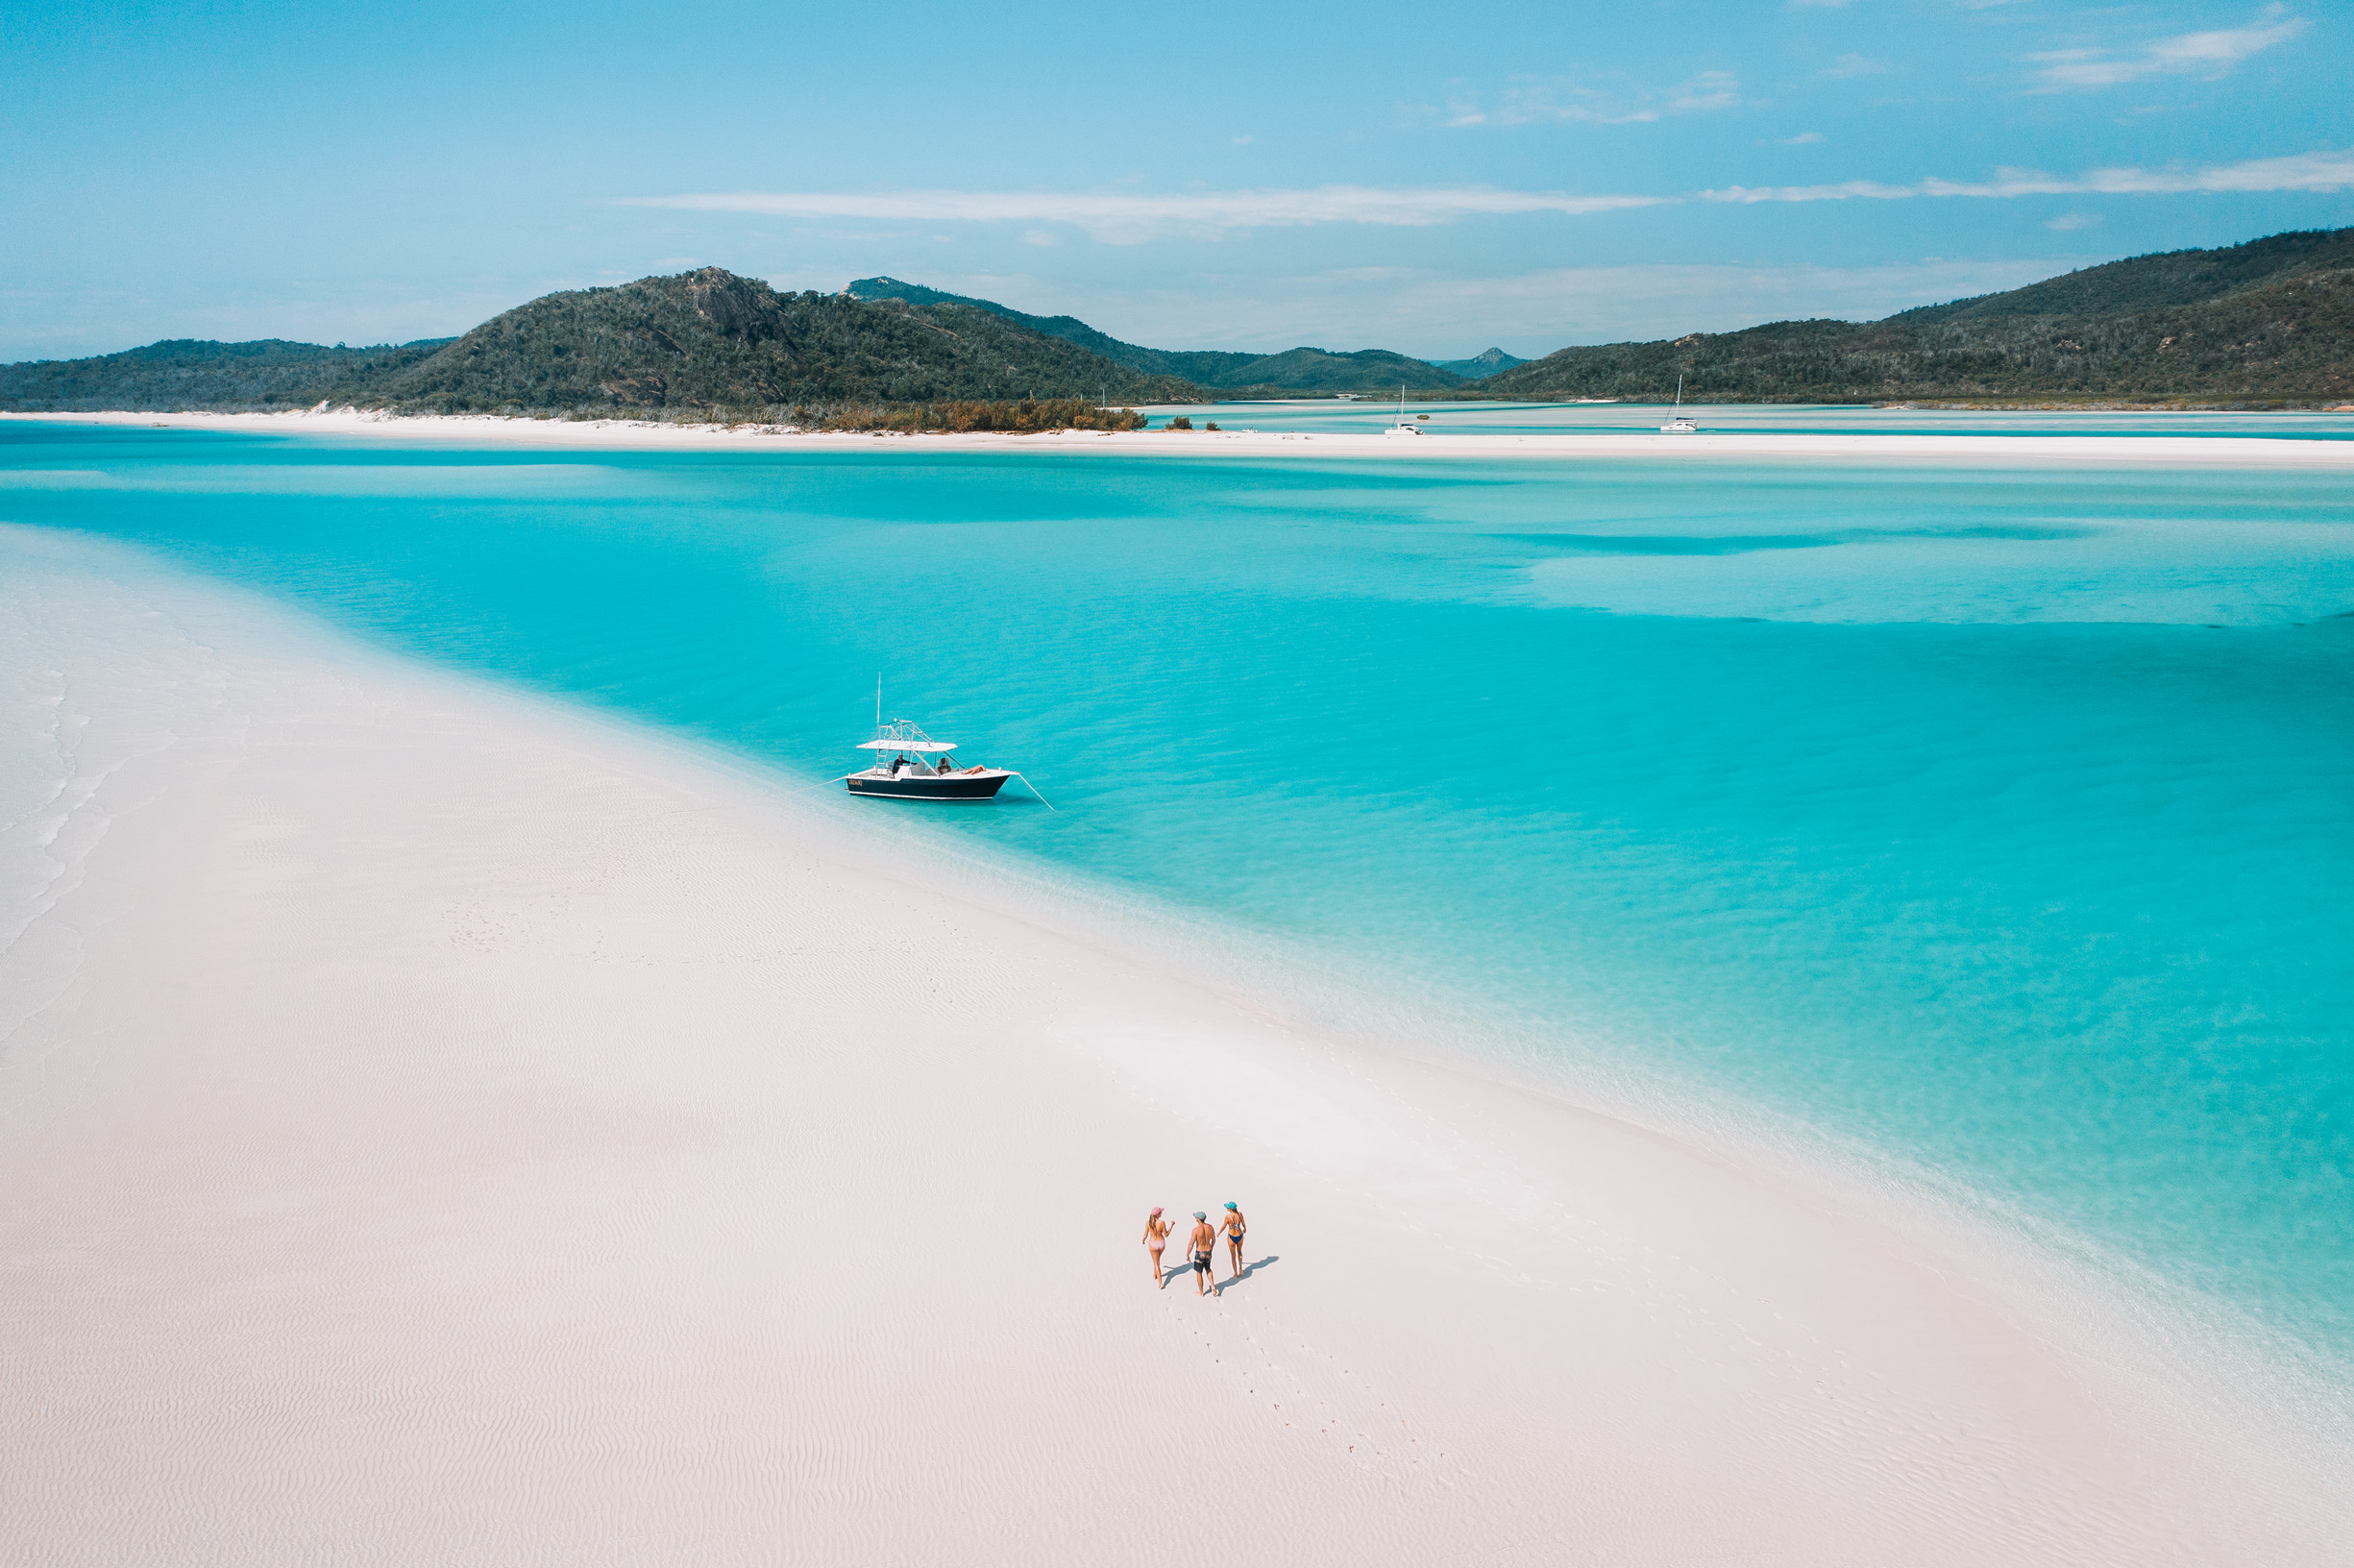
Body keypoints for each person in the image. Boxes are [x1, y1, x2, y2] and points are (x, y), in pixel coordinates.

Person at [1188, 1211, 1218, 1297]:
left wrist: (1187, 1254)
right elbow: (1214, 1240)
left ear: (1198, 1219)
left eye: (1196, 1217)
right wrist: (1211, 1248)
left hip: (1200, 1252)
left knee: (1199, 1272)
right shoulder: (1210, 1227)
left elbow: (1191, 1244)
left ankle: (1201, 1292)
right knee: (1208, 1269)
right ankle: (1212, 1285)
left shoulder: (1196, 1230)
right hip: (1208, 1251)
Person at [1141, 1207, 1172, 1287]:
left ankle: (1160, 1283)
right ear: (1158, 1215)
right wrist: (1171, 1226)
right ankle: (1156, 1276)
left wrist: (1143, 1240)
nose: (1161, 1214)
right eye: (1160, 1213)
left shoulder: (1148, 1223)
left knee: (1156, 1263)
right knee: (1157, 1261)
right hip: (1161, 1243)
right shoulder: (1162, 1223)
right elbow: (1166, 1235)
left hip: (1153, 1243)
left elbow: (1145, 1234)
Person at [1220, 1201, 1248, 1281]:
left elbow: (1224, 1226)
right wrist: (1245, 1228)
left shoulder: (1228, 1217)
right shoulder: (1240, 1214)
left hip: (1231, 1236)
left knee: (1233, 1256)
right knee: (1239, 1251)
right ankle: (1240, 1268)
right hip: (1239, 1235)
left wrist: (1218, 1232)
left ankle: (1236, 1274)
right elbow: (1243, 1223)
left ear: (1230, 1209)